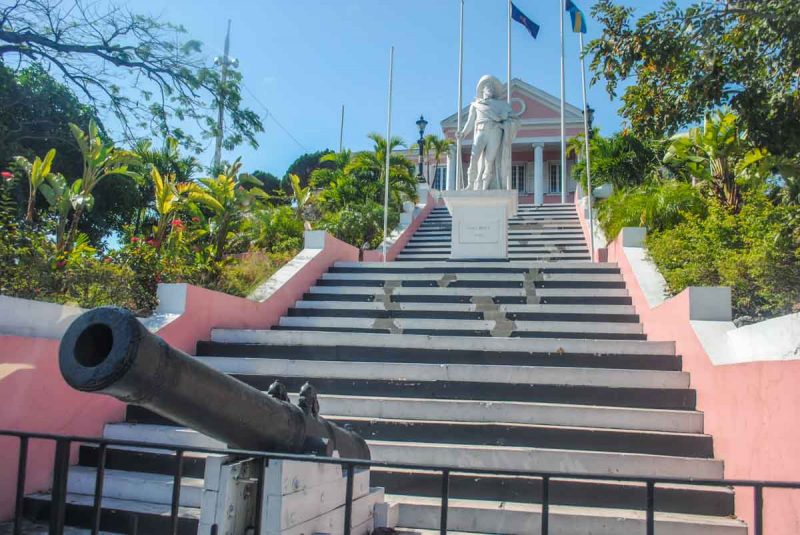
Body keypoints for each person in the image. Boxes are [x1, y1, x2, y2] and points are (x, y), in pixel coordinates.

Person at [456, 75, 518, 190]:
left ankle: (485, 186)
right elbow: (470, 122)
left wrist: (504, 123)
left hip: (495, 132)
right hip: (481, 130)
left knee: (489, 160)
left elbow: (514, 121)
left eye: (492, 87)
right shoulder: (476, 105)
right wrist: (463, 133)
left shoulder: (502, 105)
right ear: (482, 90)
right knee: (474, 157)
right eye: (487, 86)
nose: (490, 89)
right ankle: (471, 184)